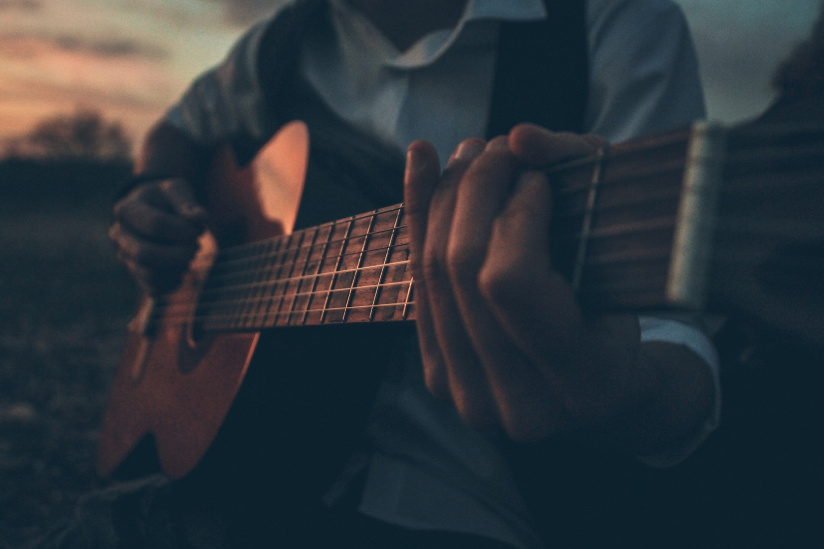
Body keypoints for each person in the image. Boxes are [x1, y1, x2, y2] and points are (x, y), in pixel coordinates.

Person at [40, 0, 720, 547]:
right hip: (247, 464)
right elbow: (179, 128)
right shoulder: (283, 43)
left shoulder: (614, 26)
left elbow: (675, 350)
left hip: (468, 503)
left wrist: (616, 384)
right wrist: (152, 190)